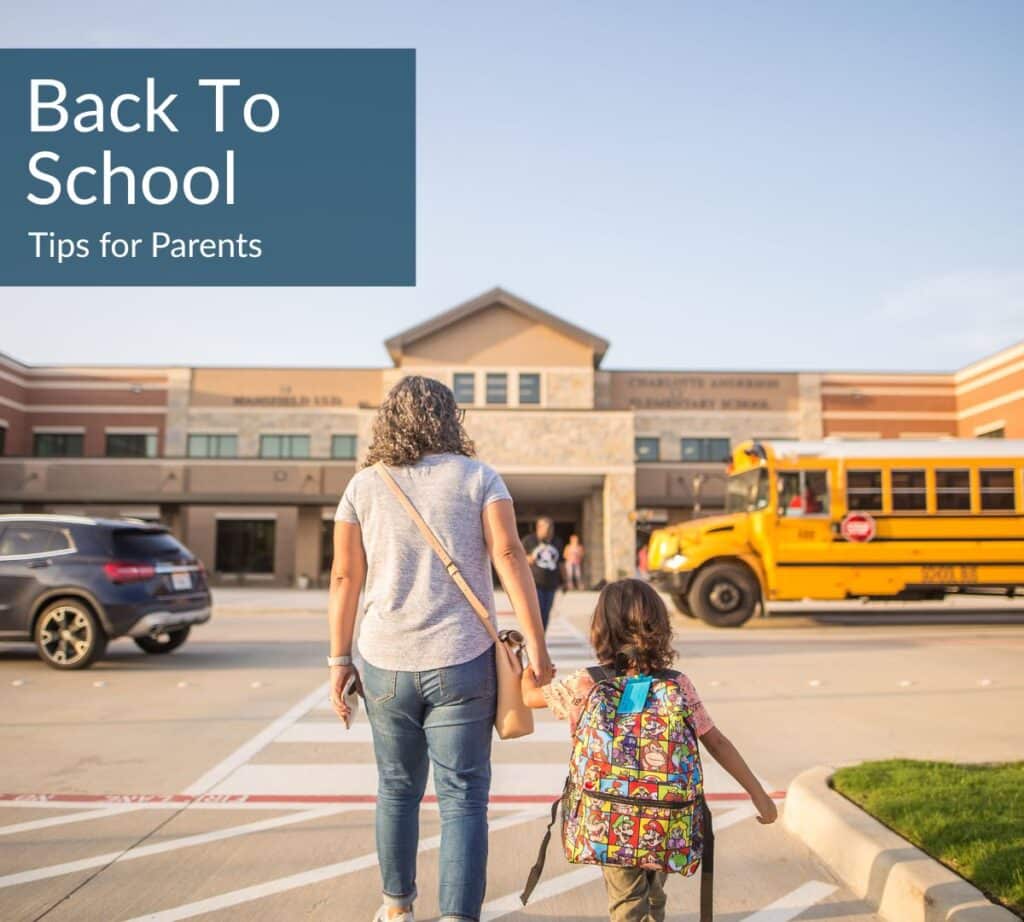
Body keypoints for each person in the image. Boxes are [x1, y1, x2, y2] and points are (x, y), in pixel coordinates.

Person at [327, 376, 554, 922]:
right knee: (464, 797)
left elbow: (344, 578)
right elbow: (509, 555)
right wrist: (537, 647)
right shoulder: (480, 478)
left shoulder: (363, 486)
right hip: (463, 660)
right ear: (451, 419)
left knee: (396, 789)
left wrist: (339, 661)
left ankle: (397, 908)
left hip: (385, 662)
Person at [522, 579, 777, 922]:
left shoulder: (587, 682)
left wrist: (526, 676)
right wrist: (758, 794)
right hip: (665, 816)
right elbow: (716, 741)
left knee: (627, 903)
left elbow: (530, 699)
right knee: (654, 891)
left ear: (601, 628)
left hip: (608, 816)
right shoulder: (677, 684)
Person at [522, 516, 562, 629]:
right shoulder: (529, 540)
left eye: (551, 528)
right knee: (537, 611)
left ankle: (542, 635)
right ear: (538, 528)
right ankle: (534, 634)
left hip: (551, 583)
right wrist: (530, 558)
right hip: (534, 583)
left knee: (546, 611)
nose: (549, 531)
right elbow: (518, 558)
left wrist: (566, 580)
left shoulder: (557, 541)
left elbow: (561, 562)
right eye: (547, 528)